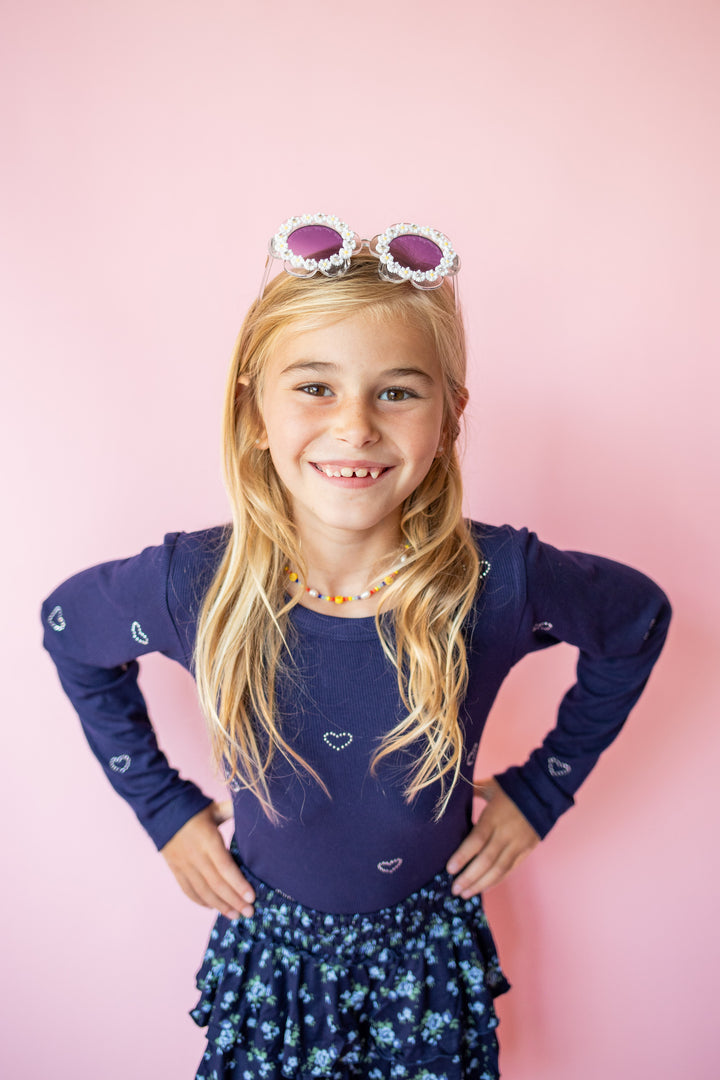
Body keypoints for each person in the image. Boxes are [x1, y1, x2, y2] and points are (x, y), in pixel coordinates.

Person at [41, 214, 671, 1080]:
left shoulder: (499, 581)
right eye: (315, 387)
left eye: (397, 392)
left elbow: (638, 621)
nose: (356, 426)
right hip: (271, 964)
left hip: (428, 962)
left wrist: (542, 791)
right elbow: (68, 629)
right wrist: (161, 808)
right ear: (253, 411)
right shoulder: (193, 583)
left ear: (450, 416)